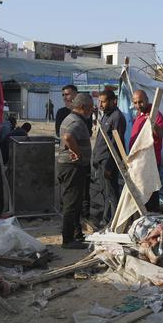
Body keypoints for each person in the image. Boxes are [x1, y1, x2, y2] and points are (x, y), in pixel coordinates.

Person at [58, 93, 93, 249]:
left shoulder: (73, 119)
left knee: (74, 202)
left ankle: (74, 234)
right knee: (71, 204)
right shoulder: (75, 121)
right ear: (83, 107)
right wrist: (78, 153)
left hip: (72, 167)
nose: (92, 111)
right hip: (72, 167)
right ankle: (68, 240)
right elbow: (68, 136)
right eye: (91, 108)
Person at [89, 88, 126, 226]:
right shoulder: (105, 115)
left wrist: (110, 165)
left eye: (103, 102)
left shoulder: (117, 117)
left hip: (108, 161)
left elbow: (117, 143)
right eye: (99, 102)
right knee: (105, 192)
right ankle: (106, 219)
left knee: (111, 192)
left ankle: (114, 222)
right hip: (100, 160)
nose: (100, 105)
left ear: (113, 101)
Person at [129, 89, 163, 212]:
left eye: (141, 102)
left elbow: (160, 134)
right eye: (135, 103)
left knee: (151, 191)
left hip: (151, 161)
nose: (138, 105)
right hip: (139, 161)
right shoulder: (138, 114)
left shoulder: (155, 114)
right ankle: (143, 216)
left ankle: (153, 216)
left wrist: (152, 121)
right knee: (141, 191)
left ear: (147, 100)